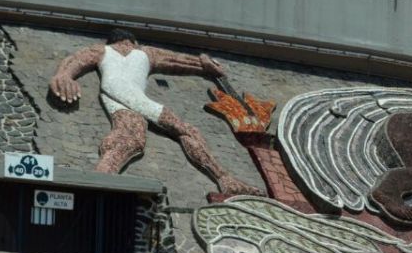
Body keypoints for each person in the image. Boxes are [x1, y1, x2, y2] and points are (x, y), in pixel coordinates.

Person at [48, 28, 260, 195]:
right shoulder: (145, 52)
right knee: (186, 129)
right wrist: (203, 64)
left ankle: (101, 175)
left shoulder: (101, 50)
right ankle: (225, 179)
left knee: (130, 139)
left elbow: (75, 60)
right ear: (134, 41)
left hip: (112, 93)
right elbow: (176, 60)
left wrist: (64, 75)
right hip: (129, 94)